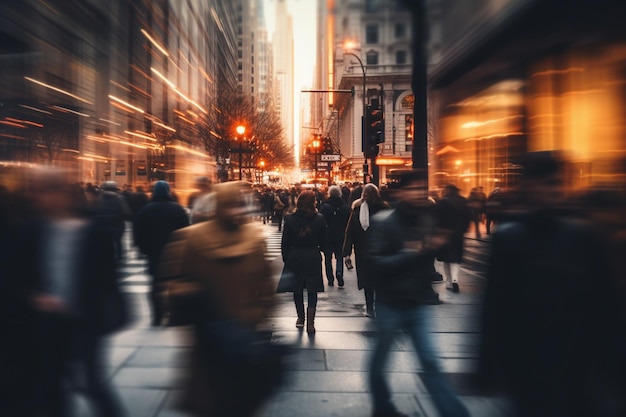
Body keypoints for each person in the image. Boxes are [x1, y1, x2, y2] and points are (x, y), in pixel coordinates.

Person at [478, 151, 626, 417]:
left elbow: (605, 305)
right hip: (529, 363)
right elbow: (495, 306)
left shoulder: (583, 236)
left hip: (575, 360)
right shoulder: (511, 238)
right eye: (547, 183)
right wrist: (487, 368)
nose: (554, 190)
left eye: (557, 183)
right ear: (529, 187)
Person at [5, 167, 128, 417]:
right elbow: (13, 275)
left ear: (61, 192)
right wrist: (33, 297)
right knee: (50, 385)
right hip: (44, 322)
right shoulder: (29, 230)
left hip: (84, 320)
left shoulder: (93, 233)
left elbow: (106, 280)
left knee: (90, 383)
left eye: (42, 191)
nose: (36, 198)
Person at [157, 181, 286, 417]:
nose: (237, 211)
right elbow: (174, 283)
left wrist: (260, 315)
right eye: (230, 206)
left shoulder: (253, 238)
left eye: (240, 205)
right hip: (208, 336)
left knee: (242, 400)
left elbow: (266, 284)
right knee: (213, 401)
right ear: (219, 207)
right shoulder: (192, 239)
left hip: (244, 333)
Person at [367, 169, 470, 417]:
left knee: (430, 361)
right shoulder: (384, 222)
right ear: (401, 192)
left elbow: (425, 260)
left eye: (422, 188)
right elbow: (376, 263)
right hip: (391, 304)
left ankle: (453, 412)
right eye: (414, 188)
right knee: (380, 364)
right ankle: (382, 407)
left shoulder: (426, 221)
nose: (419, 193)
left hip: (417, 304)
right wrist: (411, 252)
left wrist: (432, 247)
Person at [133, 180, 189, 326]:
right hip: (174, 253)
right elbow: (186, 230)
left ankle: (157, 315)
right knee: (172, 285)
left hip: (154, 252)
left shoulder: (146, 209)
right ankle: (171, 313)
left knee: (154, 285)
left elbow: (138, 231)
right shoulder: (177, 209)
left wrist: (143, 248)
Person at [276, 190, 327, 334]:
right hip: (312, 256)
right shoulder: (320, 219)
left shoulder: (290, 219)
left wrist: (287, 257)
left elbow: (285, 243)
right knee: (312, 290)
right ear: (313, 203)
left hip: (295, 256)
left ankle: (300, 318)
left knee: (297, 289)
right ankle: (311, 323)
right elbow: (324, 243)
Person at [343, 183, 390, 317]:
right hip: (381, 250)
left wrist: (346, 252)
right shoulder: (384, 208)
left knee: (367, 280)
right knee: (380, 279)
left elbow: (349, 232)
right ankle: (380, 305)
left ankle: (370, 307)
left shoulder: (357, 210)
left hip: (362, 250)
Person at [434, 183, 472, 292]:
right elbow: (469, 217)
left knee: (446, 258)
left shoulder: (443, 202)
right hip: (458, 234)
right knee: (456, 258)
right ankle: (455, 280)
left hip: (444, 234)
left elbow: (437, 218)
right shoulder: (464, 202)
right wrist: (464, 230)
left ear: (447, 190)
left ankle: (449, 282)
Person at [320, 185, 350, 287]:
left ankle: (330, 278)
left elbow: (321, 221)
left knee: (327, 258)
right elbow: (348, 222)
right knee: (339, 257)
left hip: (327, 235)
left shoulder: (324, 206)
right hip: (340, 235)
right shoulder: (344, 207)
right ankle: (339, 272)